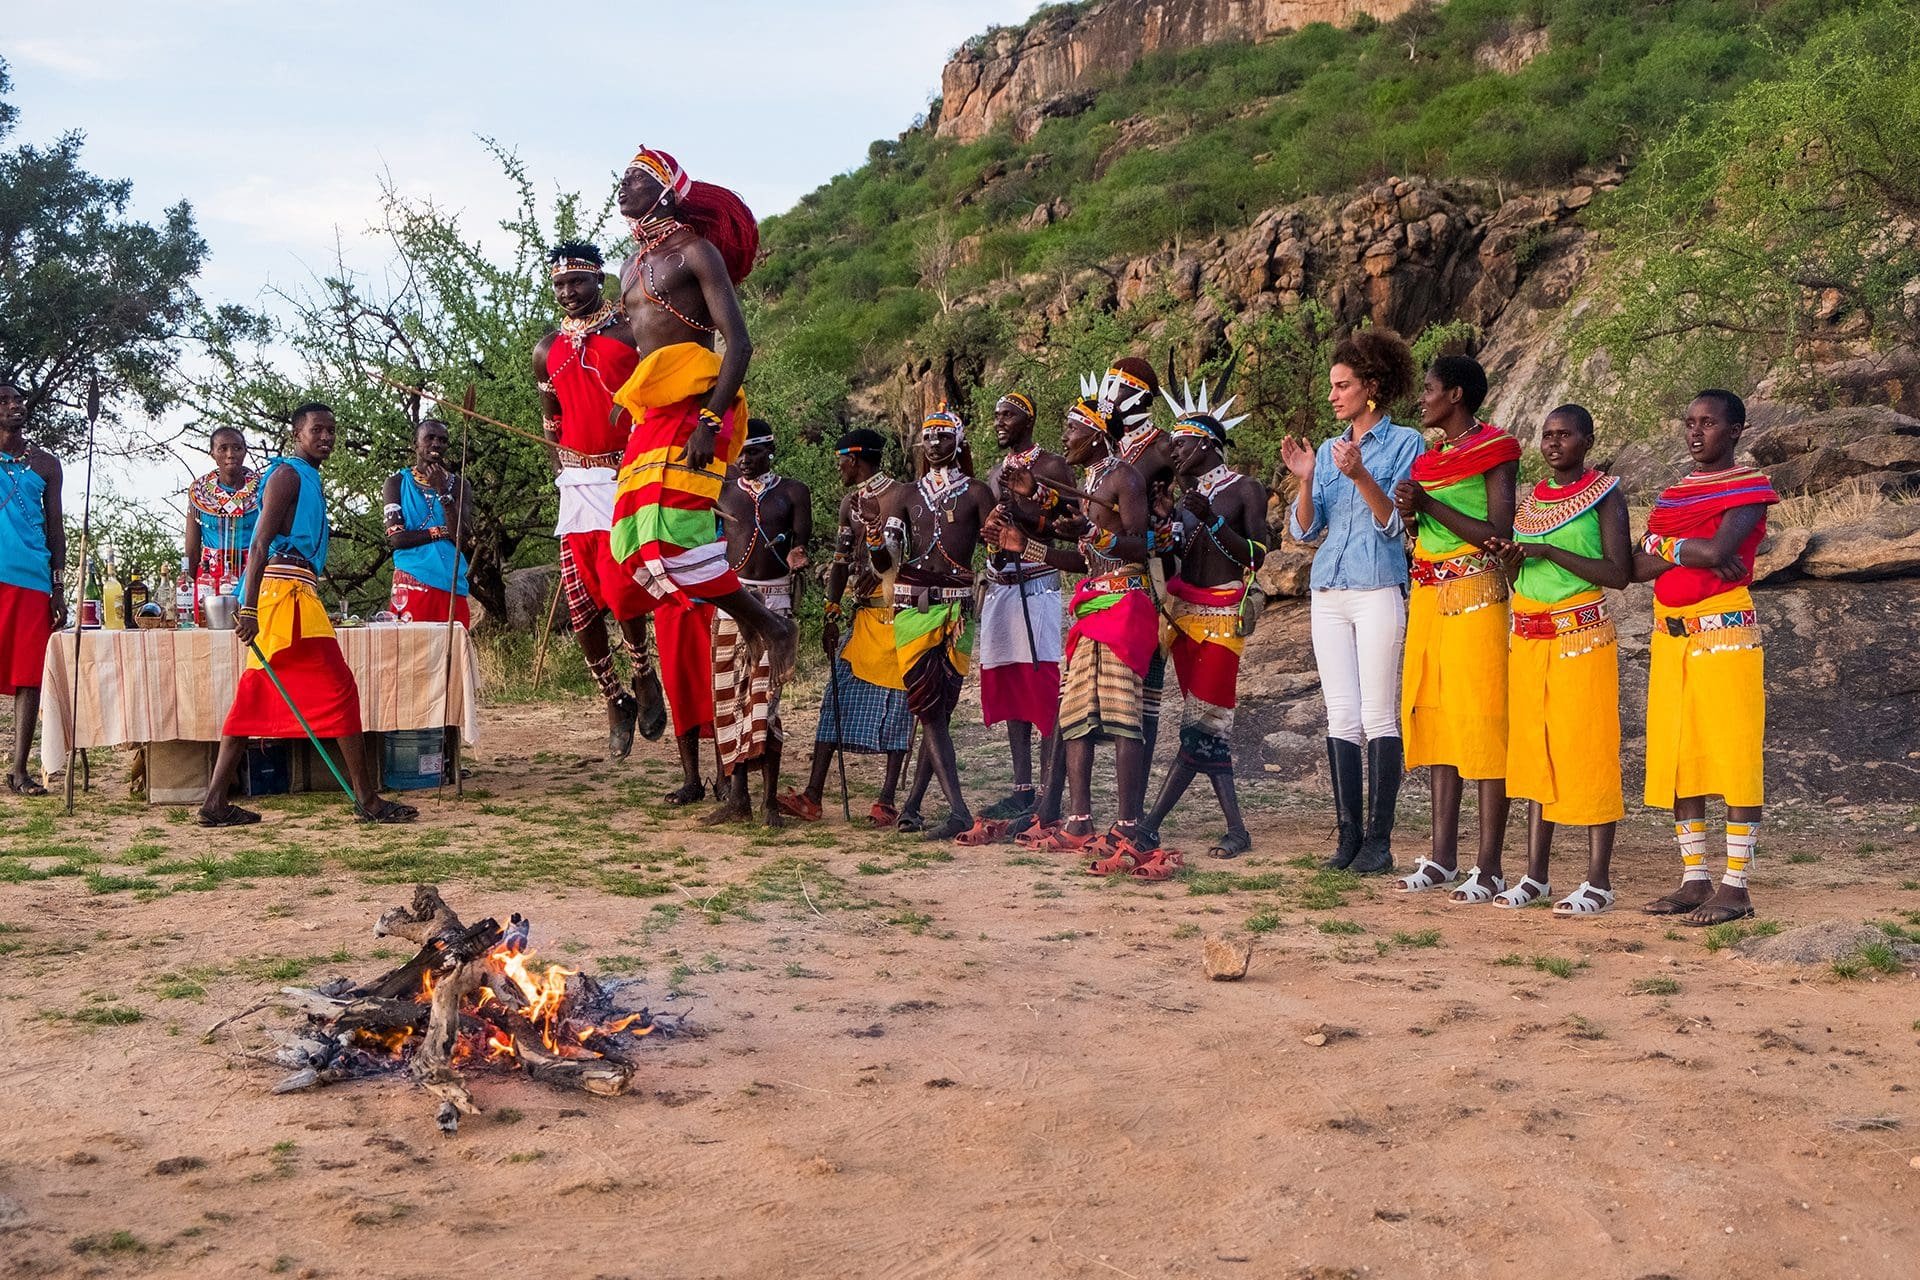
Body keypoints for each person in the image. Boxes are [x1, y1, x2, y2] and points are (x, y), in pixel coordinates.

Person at [609, 147, 795, 682]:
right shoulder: (631, 265)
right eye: (621, 179)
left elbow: (739, 344)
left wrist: (710, 422)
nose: (623, 187)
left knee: (674, 537)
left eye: (636, 178)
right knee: (632, 547)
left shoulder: (696, 252)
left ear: (666, 191)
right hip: (653, 412)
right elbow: (638, 337)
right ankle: (750, 628)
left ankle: (771, 626)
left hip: (697, 408)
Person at [199, 404, 415, 826]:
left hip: (295, 593)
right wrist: (248, 607)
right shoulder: (286, 475)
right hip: (284, 598)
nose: (327, 437)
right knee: (339, 690)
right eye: (318, 430)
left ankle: (213, 803)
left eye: (332, 431)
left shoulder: (306, 477)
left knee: (253, 697)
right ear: (297, 433)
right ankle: (367, 800)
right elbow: (259, 544)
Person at [996, 385, 1160, 874]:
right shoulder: (1091, 483)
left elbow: (1141, 543)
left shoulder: (1124, 478)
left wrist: (1092, 532)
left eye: (1072, 428)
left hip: (1126, 604)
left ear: (1094, 434)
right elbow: (1081, 558)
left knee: (1121, 712)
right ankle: (1078, 820)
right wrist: (1023, 545)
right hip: (1091, 605)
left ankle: (1128, 824)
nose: (1064, 437)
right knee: (1076, 715)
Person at [1282, 329, 1424, 876]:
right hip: (1328, 590)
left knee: (1376, 712)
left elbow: (1395, 525)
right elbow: (1305, 529)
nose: (1334, 395)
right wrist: (1308, 478)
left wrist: (1360, 474)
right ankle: (1348, 837)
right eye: (1332, 387)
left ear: (1372, 387)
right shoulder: (1327, 448)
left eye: (1343, 386)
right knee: (1340, 712)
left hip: (1378, 586)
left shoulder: (1406, 442)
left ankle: (1379, 842)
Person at [1635, 390, 1779, 927]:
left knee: (1734, 753)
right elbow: (1635, 564)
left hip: (1725, 634)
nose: (1696, 432)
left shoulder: (1748, 488)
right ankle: (1695, 877)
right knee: (1680, 755)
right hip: (1671, 637)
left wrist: (1665, 545)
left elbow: (1720, 554)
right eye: (1689, 422)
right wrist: (1675, 547)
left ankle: (1736, 886)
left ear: (1736, 430)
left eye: (1709, 423)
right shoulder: (1676, 495)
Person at [1484, 405, 1631, 915]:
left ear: (1587, 440)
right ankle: (1535, 875)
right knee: (1533, 752)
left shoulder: (1606, 495)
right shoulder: (1530, 504)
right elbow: (1521, 578)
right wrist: (1510, 565)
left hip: (1580, 638)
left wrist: (1551, 553)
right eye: (1547, 435)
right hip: (1528, 638)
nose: (1552, 443)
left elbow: (1618, 572)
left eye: (1564, 435)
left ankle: (1598, 880)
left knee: (1587, 747)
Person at [1390, 356, 1520, 899]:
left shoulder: (1496, 448)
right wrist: (1411, 510)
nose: (1423, 398)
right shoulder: (1432, 459)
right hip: (1428, 595)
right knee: (1437, 717)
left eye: (1430, 389)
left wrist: (1429, 507)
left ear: (1457, 394)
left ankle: (1488, 866)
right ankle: (1442, 857)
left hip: (1475, 596)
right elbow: (1425, 523)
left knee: (1484, 722)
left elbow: (1497, 529)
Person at [533, 240, 667, 758]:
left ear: (599, 280)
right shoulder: (547, 350)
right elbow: (551, 423)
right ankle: (613, 698)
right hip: (576, 487)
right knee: (580, 599)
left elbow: (655, 403)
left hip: (627, 478)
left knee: (621, 589)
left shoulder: (631, 332)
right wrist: (561, 472)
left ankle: (642, 672)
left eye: (577, 282)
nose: (568, 292)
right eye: (559, 285)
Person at [1139, 375, 1266, 860]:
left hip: (1223, 616)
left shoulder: (1244, 490)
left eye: (1180, 443)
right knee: (1207, 727)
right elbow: (1174, 565)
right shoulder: (1183, 498)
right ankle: (1237, 830)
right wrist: (1164, 535)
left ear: (1207, 444)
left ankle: (1150, 823)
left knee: (1199, 727)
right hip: (1181, 616)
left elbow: (1256, 554)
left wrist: (1211, 520)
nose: (1171, 451)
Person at [777, 429, 913, 826]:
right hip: (863, 617)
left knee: (899, 708)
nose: (837, 467)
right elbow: (839, 560)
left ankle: (886, 800)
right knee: (835, 698)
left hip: (900, 616)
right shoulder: (848, 504)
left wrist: (891, 573)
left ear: (853, 459)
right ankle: (813, 796)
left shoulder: (903, 497)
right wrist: (832, 610)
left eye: (840, 460)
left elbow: (919, 551)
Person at [874, 408, 996, 841]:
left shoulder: (978, 493)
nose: (935, 444)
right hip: (914, 606)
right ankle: (959, 810)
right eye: (928, 437)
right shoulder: (904, 494)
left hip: (958, 610)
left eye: (944, 437)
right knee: (928, 707)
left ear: (959, 443)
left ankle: (912, 804)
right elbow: (887, 558)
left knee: (938, 710)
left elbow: (996, 550)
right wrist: (874, 549)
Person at [706, 418, 810, 826]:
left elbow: (801, 540)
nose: (745, 460)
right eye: (740, 452)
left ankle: (768, 803)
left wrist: (798, 554)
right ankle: (738, 800)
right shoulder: (723, 490)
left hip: (775, 608)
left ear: (771, 450)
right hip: (731, 605)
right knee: (729, 702)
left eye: (753, 452)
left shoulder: (792, 492)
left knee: (764, 707)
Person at [976, 391, 1070, 826]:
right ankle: (1021, 788)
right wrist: (991, 528)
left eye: (1008, 415)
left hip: (1038, 585)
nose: (999, 422)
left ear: (1028, 421)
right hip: (1002, 586)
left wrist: (1027, 520)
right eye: (996, 415)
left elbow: (1071, 527)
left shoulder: (1050, 466)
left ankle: (1049, 794)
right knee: (1013, 684)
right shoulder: (996, 471)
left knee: (1043, 687)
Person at [1, 381, 65, 796]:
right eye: (4, 402)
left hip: (32, 579)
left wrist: (59, 586)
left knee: (29, 676)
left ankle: (19, 769)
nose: (14, 406)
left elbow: (56, 529)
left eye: (18, 400)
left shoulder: (45, 464)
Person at [384, 419, 472, 625]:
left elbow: (462, 537)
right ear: (415, 443)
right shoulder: (396, 482)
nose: (436, 444)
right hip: (412, 580)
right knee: (410, 650)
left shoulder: (459, 485)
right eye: (429, 438)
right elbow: (397, 538)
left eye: (442, 440)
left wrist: (442, 490)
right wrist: (441, 532)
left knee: (453, 651)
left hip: (451, 581)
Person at [183, 425, 258, 619]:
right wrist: (187, 592)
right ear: (212, 453)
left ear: (245, 451)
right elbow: (191, 549)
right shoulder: (199, 494)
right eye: (222, 448)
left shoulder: (263, 491)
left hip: (253, 574)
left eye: (237, 448)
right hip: (209, 578)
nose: (230, 454)